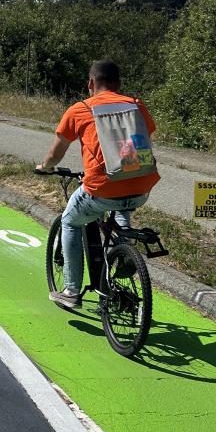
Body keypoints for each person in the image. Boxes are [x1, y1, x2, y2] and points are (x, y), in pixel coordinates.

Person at [36, 59, 160, 309]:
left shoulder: (80, 109)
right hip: (141, 186)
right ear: (118, 84)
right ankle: (123, 248)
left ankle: (71, 290)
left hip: (103, 188)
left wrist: (45, 167)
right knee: (121, 207)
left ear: (91, 83)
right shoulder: (136, 105)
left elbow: (56, 153)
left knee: (70, 221)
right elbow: (133, 142)